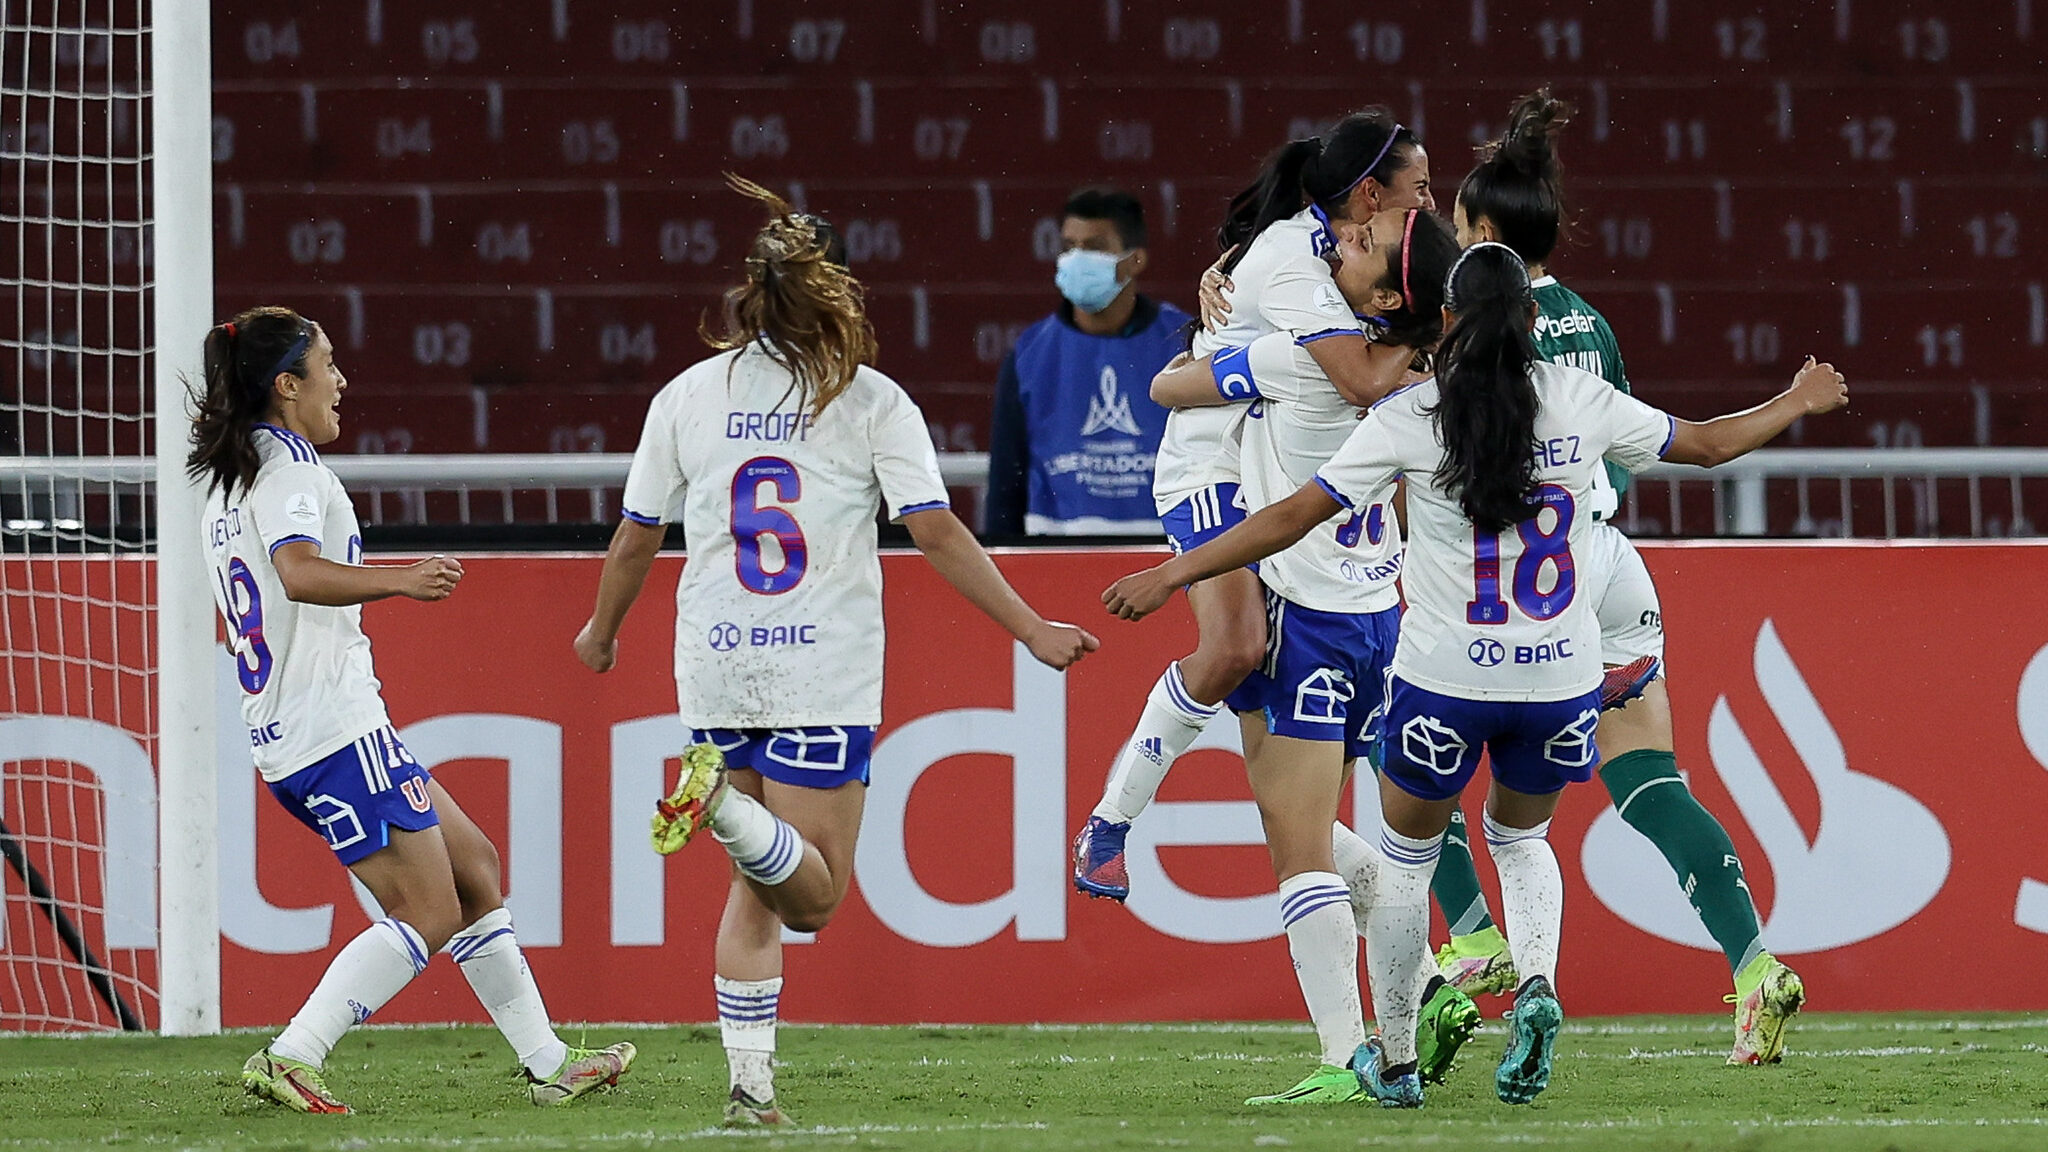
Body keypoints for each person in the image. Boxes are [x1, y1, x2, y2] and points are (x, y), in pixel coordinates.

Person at [1102, 243, 1848, 1107]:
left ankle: (1396, 1064)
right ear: (1533, 323)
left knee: (1406, 860)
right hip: (1561, 680)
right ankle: (1536, 984)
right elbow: (1712, 446)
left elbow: (1288, 517)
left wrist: (1176, 572)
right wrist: (1799, 398)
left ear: (1446, 321)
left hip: (1445, 680)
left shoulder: (1414, 415)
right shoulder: (1582, 399)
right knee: (1519, 840)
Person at [572, 176, 1097, 1127]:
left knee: (758, 887)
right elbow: (935, 531)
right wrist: (1031, 628)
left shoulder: (690, 394)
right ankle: (723, 807)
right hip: (819, 668)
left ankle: (748, 1091)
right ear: (838, 290)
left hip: (718, 665)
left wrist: (602, 631)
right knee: (812, 899)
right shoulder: (868, 401)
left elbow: (638, 533)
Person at [1432, 90, 1806, 1066]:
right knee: (1645, 781)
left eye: (1450, 228)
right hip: (1603, 570)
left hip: (1507, 589)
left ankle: (1475, 941)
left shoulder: (1463, 332)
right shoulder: (1589, 327)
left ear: (1478, 238)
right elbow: (1632, 452)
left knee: (1405, 756)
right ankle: (1754, 967)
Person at [191, 306, 635, 1115]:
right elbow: (296, 572)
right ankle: (294, 1054)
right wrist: (400, 580)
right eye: (327, 363)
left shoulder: (233, 480)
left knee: (475, 868)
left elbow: (241, 616)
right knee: (427, 909)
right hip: (333, 731)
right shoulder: (290, 474)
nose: (341, 379)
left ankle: (548, 1064)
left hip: (308, 731)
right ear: (287, 386)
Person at [1146, 206, 1471, 1104]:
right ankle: (1429, 991)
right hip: (1385, 616)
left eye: (1359, 249)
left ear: (1388, 291)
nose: (1339, 248)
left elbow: (1170, 392)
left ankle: (1346, 1059)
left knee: (1296, 848)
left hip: (1309, 615)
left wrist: (1220, 340)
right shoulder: (1430, 375)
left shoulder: (1304, 361)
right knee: (1333, 837)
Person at [1074, 108, 1436, 905]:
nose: (1431, 202)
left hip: (1280, 461)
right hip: (1217, 459)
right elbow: (1357, 378)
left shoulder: (1353, 252)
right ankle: (1111, 818)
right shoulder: (1291, 262)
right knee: (1239, 643)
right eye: (1420, 188)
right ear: (1371, 195)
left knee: (1299, 748)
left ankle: (1397, 925)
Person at [983, 187, 1188, 536]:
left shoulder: (1185, 344)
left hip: (1170, 556)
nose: (1076, 258)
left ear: (1135, 260)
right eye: (1068, 247)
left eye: (1094, 247)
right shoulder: (1029, 353)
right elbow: (1006, 486)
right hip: (1054, 560)